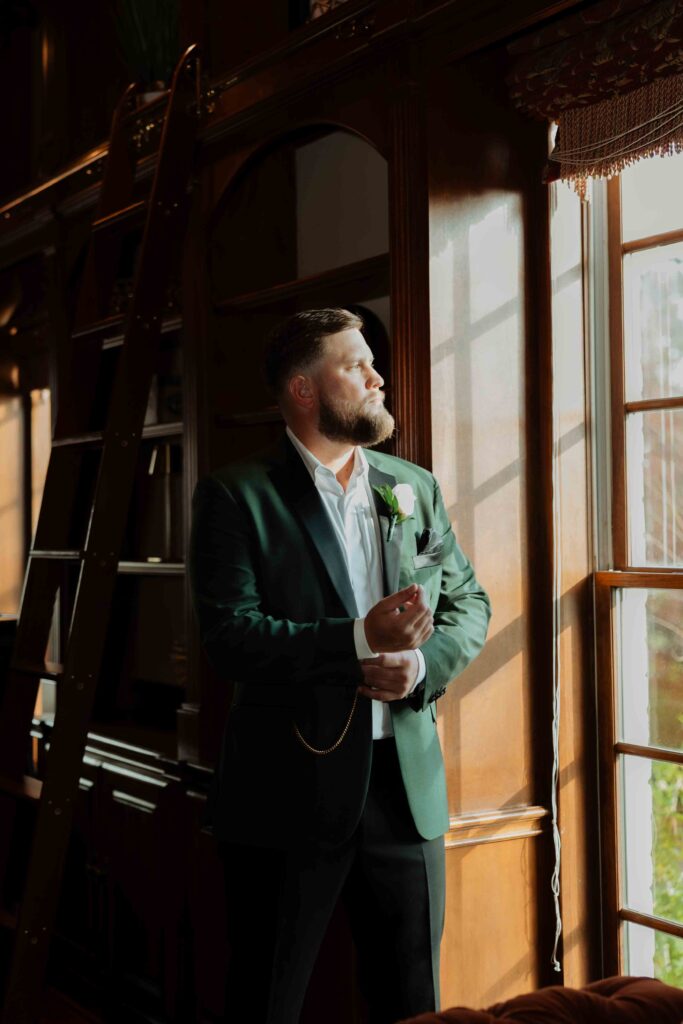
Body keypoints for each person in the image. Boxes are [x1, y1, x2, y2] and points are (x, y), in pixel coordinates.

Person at [188, 307, 491, 1024]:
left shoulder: (412, 486)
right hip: (286, 790)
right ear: (303, 389)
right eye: (356, 366)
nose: (377, 378)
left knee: (413, 1006)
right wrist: (358, 639)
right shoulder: (236, 494)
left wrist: (419, 666)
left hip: (405, 793)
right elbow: (230, 636)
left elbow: (469, 603)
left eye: (372, 364)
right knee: (265, 1003)